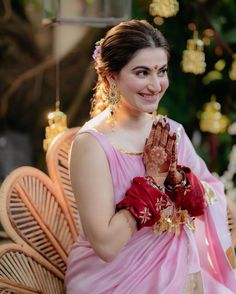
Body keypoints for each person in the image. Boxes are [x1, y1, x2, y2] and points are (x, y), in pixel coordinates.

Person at [65, 19, 236, 293]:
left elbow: (210, 193)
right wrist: (153, 182)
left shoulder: (172, 133)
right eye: (142, 73)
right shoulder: (92, 145)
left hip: (179, 267)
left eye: (162, 71)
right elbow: (107, 247)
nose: (156, 85)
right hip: (113, 278)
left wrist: (178, 179)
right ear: (112, 77)